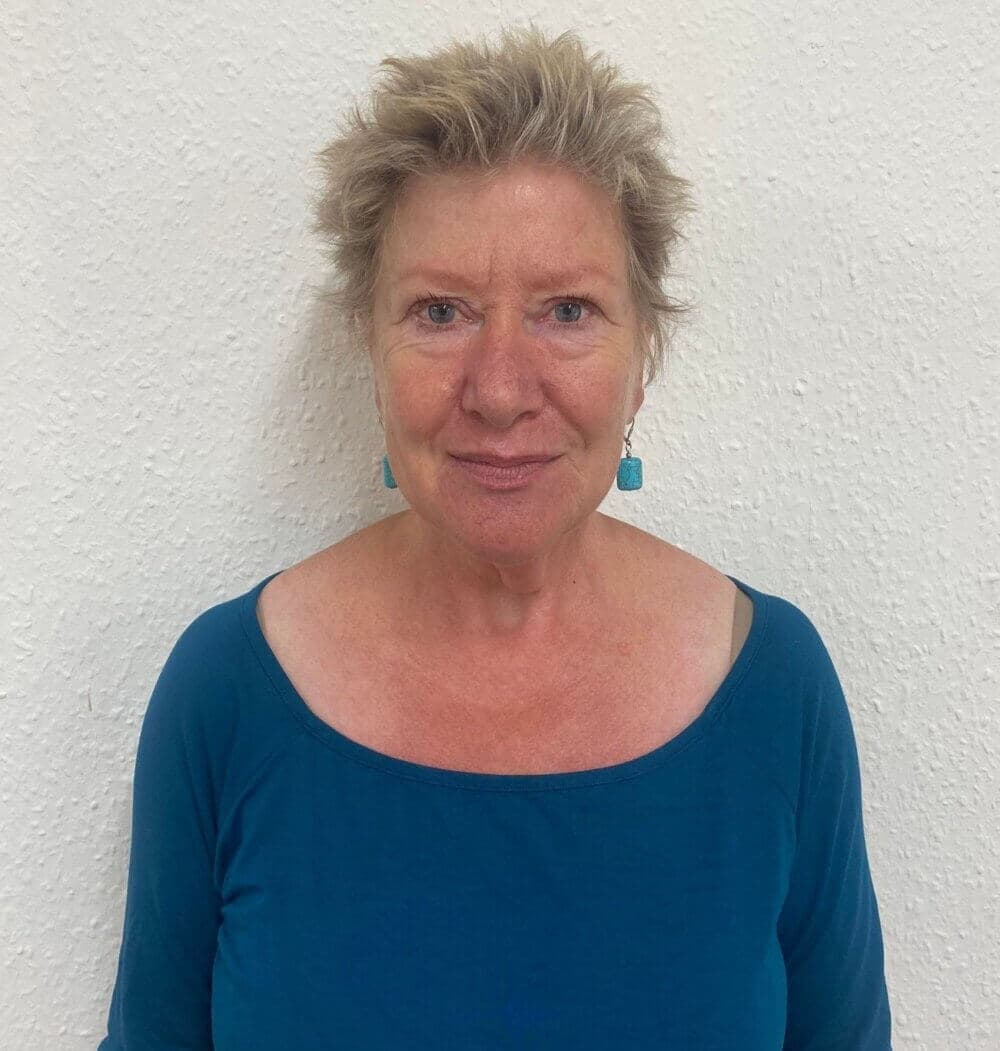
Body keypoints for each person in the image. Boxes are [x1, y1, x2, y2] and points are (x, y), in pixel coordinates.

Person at [98, 24, 892, 1050]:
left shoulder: (774, 688)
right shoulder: (227, 692)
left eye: (566, 309)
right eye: (440, 312)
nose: (502, 388)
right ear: (368, 346)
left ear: (642, 350)